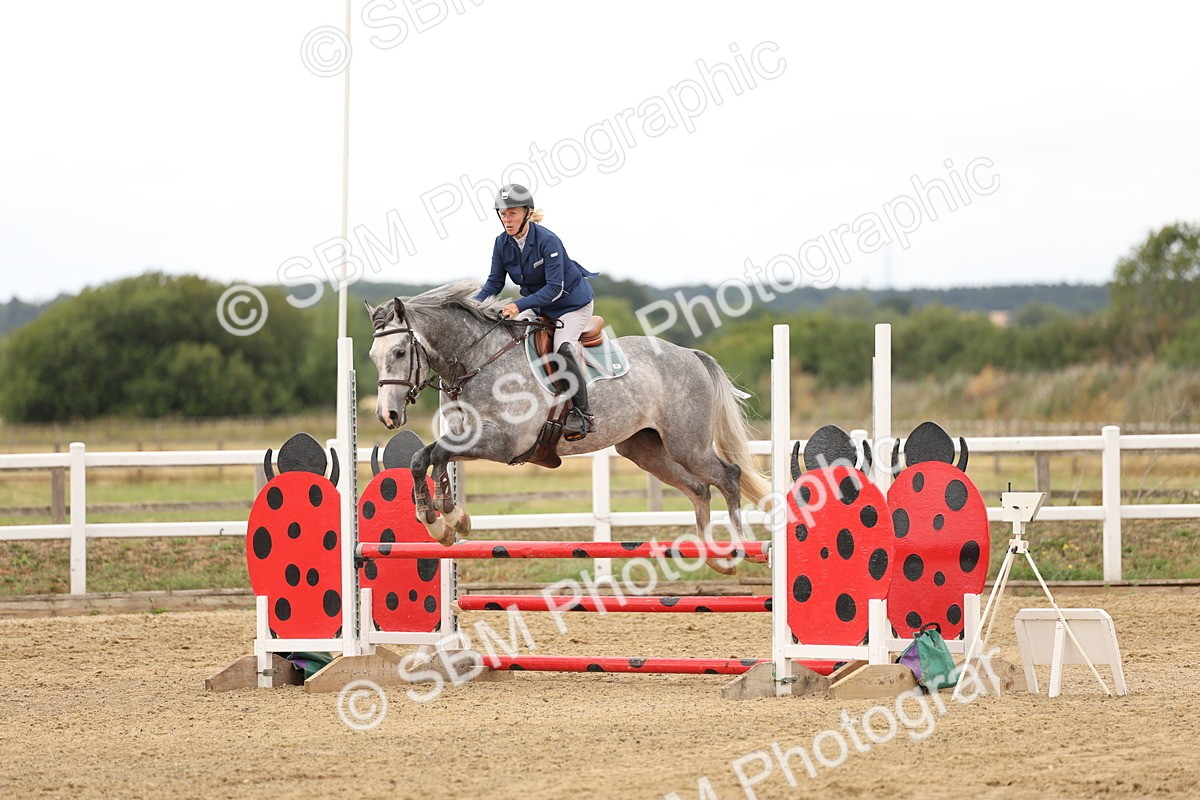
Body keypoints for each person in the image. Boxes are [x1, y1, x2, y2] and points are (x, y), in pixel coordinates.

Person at [473, 183, 598, 441]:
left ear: (527, 213)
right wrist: (472, 305)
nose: (507, 219)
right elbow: (495, 283)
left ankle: (584, 416)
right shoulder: (501, 243)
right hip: (538, 305)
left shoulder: (547, 241)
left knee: (562, 347)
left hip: (571, 304)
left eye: (512, 213)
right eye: (503, 214)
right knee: (510, 338)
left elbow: (554, 288)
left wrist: (518, 305)